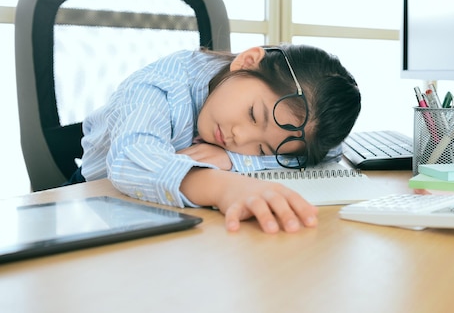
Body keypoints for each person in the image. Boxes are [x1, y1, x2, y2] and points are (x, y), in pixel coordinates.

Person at [77, 44, 361, 234]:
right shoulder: (159, 86)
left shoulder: (242, 142)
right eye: (253, 114)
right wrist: (222, 186)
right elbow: (130, 158)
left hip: (167, 215)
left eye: (262, 149)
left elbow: (332, 149)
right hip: (95, 204)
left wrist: (235, 160)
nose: (239, 138)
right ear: (248, 61)